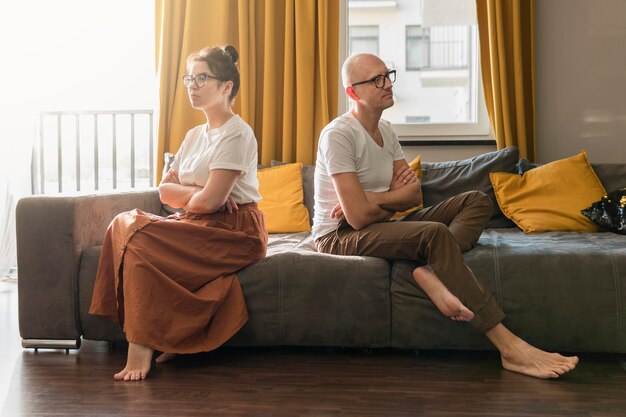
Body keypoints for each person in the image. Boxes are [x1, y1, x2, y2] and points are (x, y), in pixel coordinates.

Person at [312, 53, 579, 379]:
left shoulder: (386, 131)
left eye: (388, 75)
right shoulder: (338, 135)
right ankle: (509, 347)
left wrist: (371, 197)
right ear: (353, 92)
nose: (387, 84)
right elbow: (356, 218)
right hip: (337, 234)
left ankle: (429, 268)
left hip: (379, 223)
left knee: (477, 201)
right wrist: (379, 201)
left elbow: (414, 196)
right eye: (376, 79)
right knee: (434, 232)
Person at [89, 45, 268, 382]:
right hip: (197, 221)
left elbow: (206, 202)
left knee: (139, 240)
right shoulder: (193, 135)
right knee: (123, 224)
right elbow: (165, 192)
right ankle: (169, 335)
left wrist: (200, 198)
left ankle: (141, 343)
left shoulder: (237, 133)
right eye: (190, 78)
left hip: (235, 231)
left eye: (202, 78)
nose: (192, 85)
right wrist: (201, 194)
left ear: (226, 86)